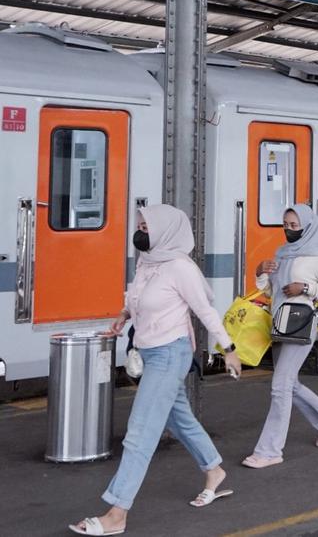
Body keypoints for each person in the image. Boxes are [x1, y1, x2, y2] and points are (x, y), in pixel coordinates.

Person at [71, 205, 241, 536]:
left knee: (140, 431)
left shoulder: (180, 267)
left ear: (165, 231)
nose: (141, 232)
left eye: (147, 227)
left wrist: (229, 349)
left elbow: (205, 311)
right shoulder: (148, 261)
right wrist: (124, 314)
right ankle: (214, 470)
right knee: (179, 418)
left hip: (170, 353)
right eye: (140, 226)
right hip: (150, 353)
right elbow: (138, 298)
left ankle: (117, 513)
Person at [242, 205, 318, 470]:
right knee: (290, 384)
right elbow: (270, 291)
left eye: (294, 225)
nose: (288, 230)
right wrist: (259, 272)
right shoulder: (282, 253)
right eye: (285, 225)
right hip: (279, 325)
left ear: (307, 227)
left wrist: (305, 288)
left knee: (280, 386)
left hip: (301, 327)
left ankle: (269, 451)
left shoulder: (317, 256)